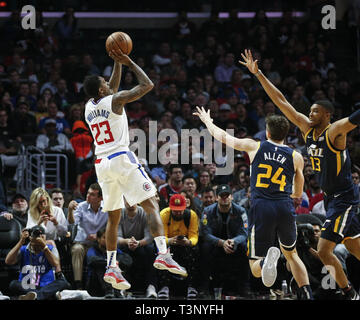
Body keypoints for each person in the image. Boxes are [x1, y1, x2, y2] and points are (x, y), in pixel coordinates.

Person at [240, 49, 360, 300]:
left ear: (328, 115)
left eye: (316, 111)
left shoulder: (335, 130)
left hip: (344, 197)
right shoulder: (307, 129)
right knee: (352, 244)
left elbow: (354, 119)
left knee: (324, 250)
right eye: (311, 110)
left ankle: (350, 293)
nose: (311, 113)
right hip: (330, 198)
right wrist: (258, 73)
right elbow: (281, 101)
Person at [83, 47, 186, 292]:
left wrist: (115, 63)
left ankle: (111, 267)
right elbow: (147, 85)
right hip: (121, 158)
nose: (109, 83)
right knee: (151, 203)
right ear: (101, 89)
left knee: (113, 216)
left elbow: (112, 88)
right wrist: (128, 61)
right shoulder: (115, 100)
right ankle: (162, 253)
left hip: (101, 164)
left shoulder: (89, 106)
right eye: (104, 82)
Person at [194, 107, 313, 300]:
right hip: (284, 206)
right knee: (292, 254)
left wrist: (207, 121)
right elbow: (298, 192)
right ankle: (307, 295)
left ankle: (266, 260)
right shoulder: (296, 156)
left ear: (267, 132)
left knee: (255, 266)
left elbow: (223, 136)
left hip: (262, 206)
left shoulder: (255, 146)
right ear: (286, 134)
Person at [197, 184, 249, 297]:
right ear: (217, 198)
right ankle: (203, 288)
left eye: (227, 195)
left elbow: (244, 233)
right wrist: (222, 242)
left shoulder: (241, 211)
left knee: (245, 246)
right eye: (222, 196)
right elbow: (205, 233)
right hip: (216, 244)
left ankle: (244, 287)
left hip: (233, 243)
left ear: (232, 197)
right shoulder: (207, 211)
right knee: (204, 247)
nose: (224, 198)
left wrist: (233, 241)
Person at [5, 226, 70, 300]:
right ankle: (46, 294)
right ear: (30, 239)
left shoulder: (50, 248)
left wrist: (44, 246)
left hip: (46, 284)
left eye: (38, 246)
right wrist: (21, 241)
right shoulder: (23, 249)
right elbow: (8, 261)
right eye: (35, 245)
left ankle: (34, 296)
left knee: (63, 282)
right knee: (13, 284)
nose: (37, 247)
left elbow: (56, 264)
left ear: (44, 237)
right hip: (27, 285)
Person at [67, 182, 108, 289]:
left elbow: (111, 228)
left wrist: (99, 236)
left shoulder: (107, 209)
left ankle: (108, 286)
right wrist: (70, 210)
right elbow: (72, 223)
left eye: (92, 194)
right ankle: (78, 284)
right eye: (88, 193)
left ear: (101, 198)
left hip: (100, 244)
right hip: (83, 244)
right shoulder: (81, 206)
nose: (88, 196)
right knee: (76, 249)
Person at [157, 194, 198, 299]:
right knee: (162, 253)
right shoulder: (164, 214)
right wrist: (170, 240)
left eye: (181, 210)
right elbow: (161, 237)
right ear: (170, 208)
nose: (178, 213)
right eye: (175, 210)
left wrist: (188, 242)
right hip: (169, 244)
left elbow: (194, 235)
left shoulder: (191, 215)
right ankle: (164, 287)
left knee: (196, 251)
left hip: (186, 244)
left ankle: (191, 286)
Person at [117, 201, 158, 299]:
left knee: (151, 249)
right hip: (124, 244)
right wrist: (127, 241)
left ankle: (151, 286)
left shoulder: (144, 212)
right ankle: (121, 287)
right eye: (127, 200)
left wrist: (138, 243)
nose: (130, 203)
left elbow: (149, 236)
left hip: (141, 244)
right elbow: (117, 237)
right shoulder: (118, 213)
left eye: (132, 200)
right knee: (115, 249)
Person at [86, 228, 132, 298]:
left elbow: (128, 260)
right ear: (98, 239)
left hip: (113, 285)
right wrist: (110, 263)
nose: (108, 240)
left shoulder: (115, 250)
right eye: (104, 238)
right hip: (95, 284)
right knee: (104, 266)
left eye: (109, 238)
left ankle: (117, 290)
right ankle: (109, 290)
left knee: (118, 266)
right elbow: (92, 260)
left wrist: (116, 263)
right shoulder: (93, 250)